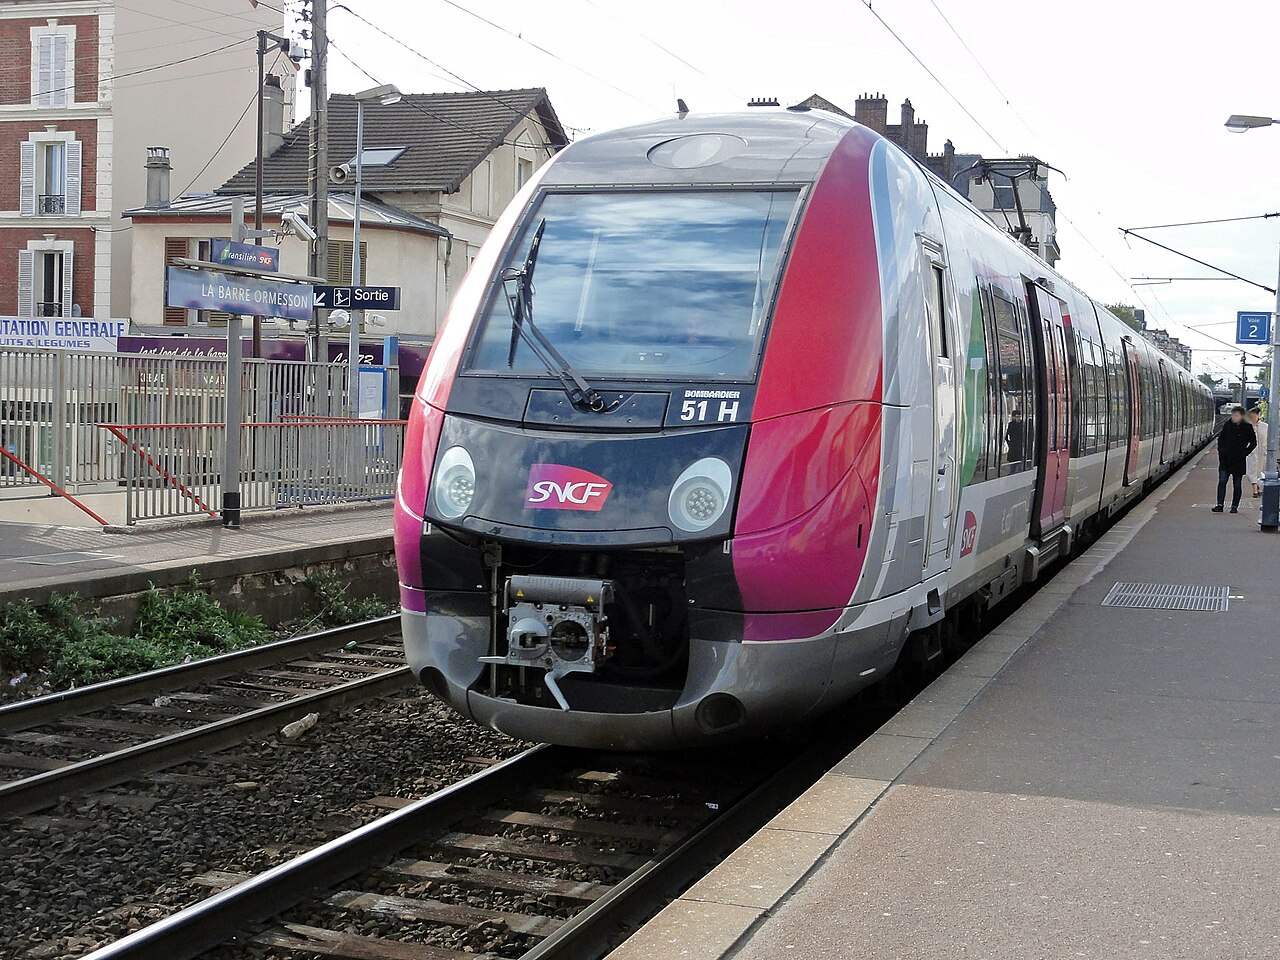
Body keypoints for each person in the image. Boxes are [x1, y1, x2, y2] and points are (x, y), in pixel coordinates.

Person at [1213, 405, 1257, 514]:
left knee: (1237, 484)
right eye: (1233, 415)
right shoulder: (1227, 425)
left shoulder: (1247, 427)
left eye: (1236, 415)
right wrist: (1221, 451)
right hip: (1225, 460)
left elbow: (1253, 443)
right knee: (1222, 482)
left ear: (1241, 416)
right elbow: (1221, 438)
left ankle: (1234, 506)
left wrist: (1244, 453)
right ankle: (1219, 505)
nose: (1234, 417)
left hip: (1239, 461)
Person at [1247, 407, 1269, 498]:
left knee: (1261, 471)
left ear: (1258, 415)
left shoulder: (1265, 426)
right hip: (1251, 453)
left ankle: (1258, 488)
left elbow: (1268, 439)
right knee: (1251, 472)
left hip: (1262, 452)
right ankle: (1255, 490)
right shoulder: (1247, 426)